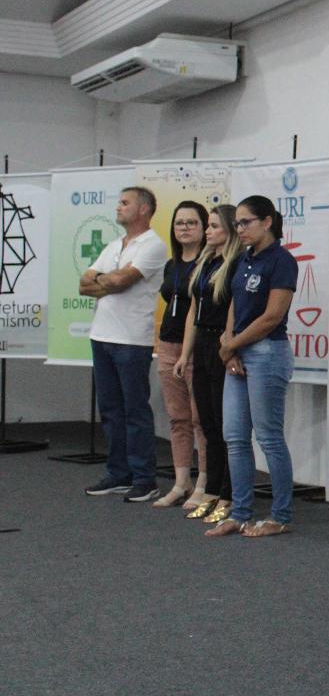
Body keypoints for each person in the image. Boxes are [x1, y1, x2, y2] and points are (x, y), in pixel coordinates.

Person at [206, 195, 298, 538]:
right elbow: (235, 305)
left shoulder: (282, 260)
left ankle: (280, 515)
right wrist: (229, 347)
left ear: (267, 221)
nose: (239, 229)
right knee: (234, 437)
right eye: (237, 224)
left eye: (245, 222)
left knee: (269, 437)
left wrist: (231, 345)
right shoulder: (244, 258)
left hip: (267, 352)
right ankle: (240, 513)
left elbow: (272, 316)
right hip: (239, 353)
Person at [82, 186, 169, 503]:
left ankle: (145, 479)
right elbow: (83, 284)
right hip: (101, 336)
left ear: (143, 209)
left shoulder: (154, 245)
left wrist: (106, 281)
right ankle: (119, 474)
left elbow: (120, 281)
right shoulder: (113, 245)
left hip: (132, 339)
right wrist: (108, 281)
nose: (118, 207)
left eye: (124, 202)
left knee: (135, 410)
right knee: (110, 410)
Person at [175, 204, 241, 523]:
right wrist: (185, 354)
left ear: (229, 230)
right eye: (209, 226)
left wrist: (228, 346)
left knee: (224, 422)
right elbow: (193, 312)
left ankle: (229, 493)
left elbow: (235, 309)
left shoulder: (236, 263)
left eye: (214, 226)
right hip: (201, 341)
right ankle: (212, 490)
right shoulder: (206, 261)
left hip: (220, 343)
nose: (208, 231)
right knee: (208, 423)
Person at [152, 200, 209, 508]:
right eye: (179, 223)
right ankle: (181, 481)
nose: (184, 228)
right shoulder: (171, 265)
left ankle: (204, 482)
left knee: (200, 419)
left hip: (196, 348)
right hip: (167, 345)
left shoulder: (209, 263)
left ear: (204, 227)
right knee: (178, 418)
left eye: (191, 222)